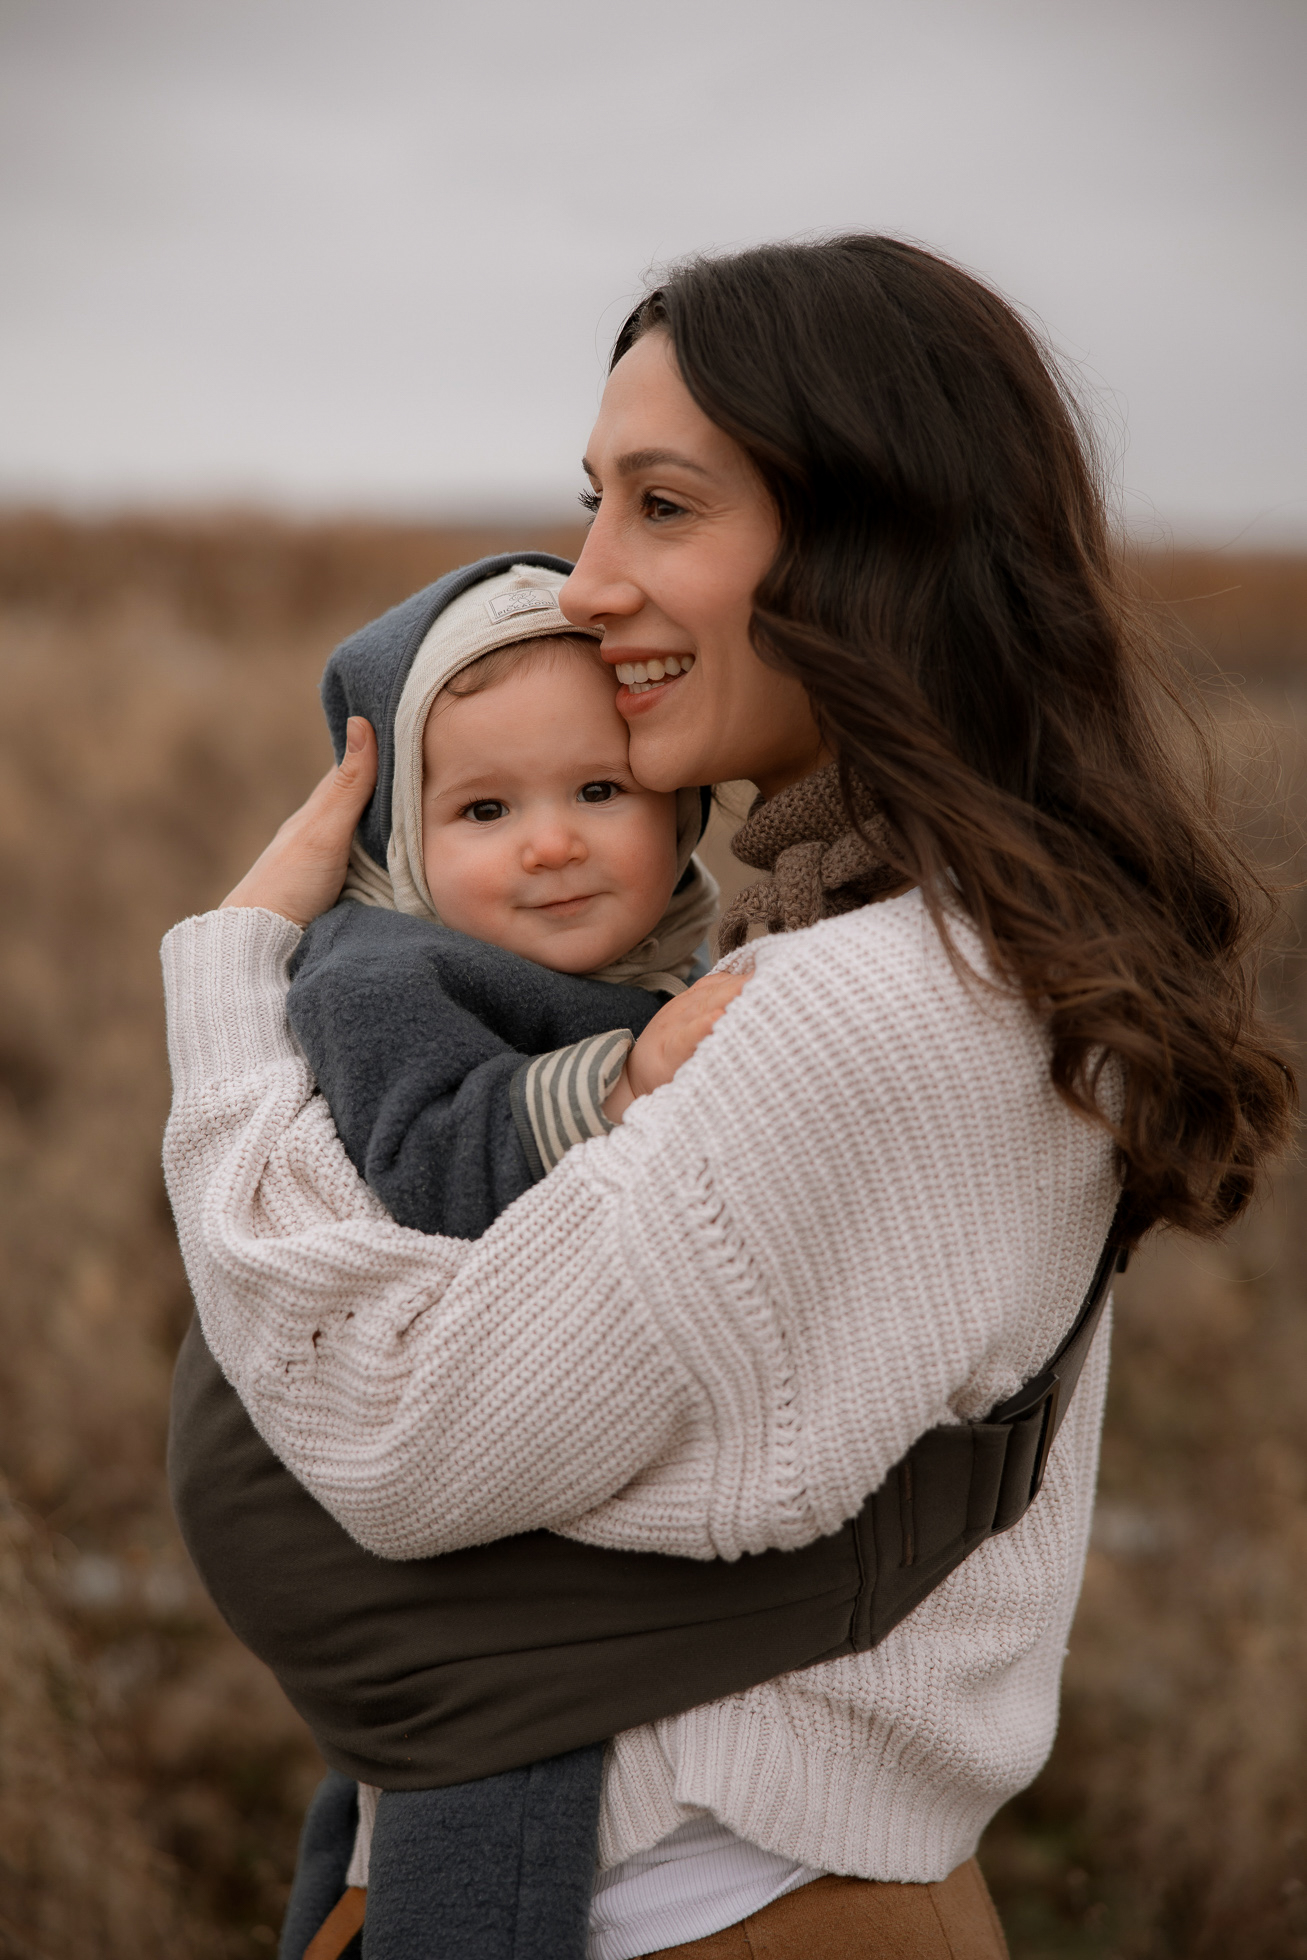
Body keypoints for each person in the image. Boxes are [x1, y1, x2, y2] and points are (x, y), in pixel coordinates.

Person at [161, 236, 1294, 1960]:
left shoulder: (870, 1008)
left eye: (665, 508)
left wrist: (238, 989)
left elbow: (392, 1435)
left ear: (866, 545)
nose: (588, 580)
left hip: (701, 1906)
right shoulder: (877, 945)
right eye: (593, 502)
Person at [275, 556, 734, 1955]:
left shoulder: (678, 948)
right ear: (403, 839)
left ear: (681, 801)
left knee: (417, 1764)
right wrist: (613, 1078)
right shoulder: (381, 976)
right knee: (497, 1751)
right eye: (485, 810)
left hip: (535, 1437)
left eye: (600, 792)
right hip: (415, 1439)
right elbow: (422, 1163)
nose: (552, 843)